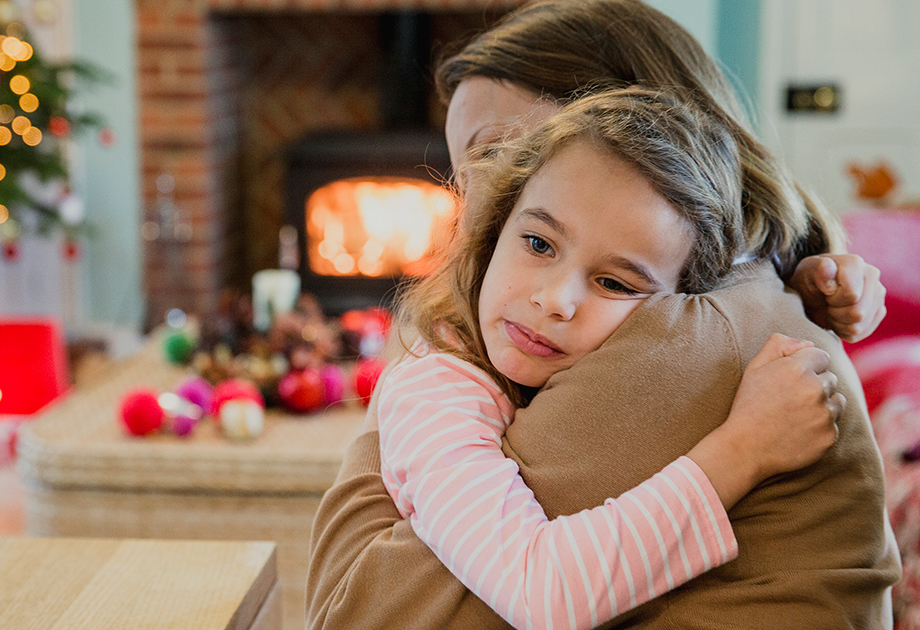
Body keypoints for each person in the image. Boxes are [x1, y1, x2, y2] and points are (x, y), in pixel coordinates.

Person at [305, 1, 899, 628]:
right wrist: (743, 449)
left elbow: (363, 610)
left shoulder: (690, 333)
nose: (473, 202)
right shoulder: (450, 384)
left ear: (627, 123)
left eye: (499, 153)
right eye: (464, 170)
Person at [379, 87, 844, 630]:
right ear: (495, 228)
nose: (554, 300)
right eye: (538, 244)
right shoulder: (436, 393)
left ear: (679, 307)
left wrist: (819, 278)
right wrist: (745, 449)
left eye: (612, 283)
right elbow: (542, 591)